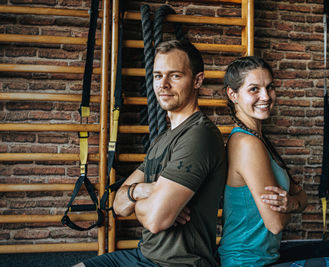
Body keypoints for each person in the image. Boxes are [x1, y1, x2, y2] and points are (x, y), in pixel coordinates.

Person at [76, 39, 227, 266]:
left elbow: (156, 219)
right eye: (158, 76)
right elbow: (117, 205)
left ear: (197, 80)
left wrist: (140, 197)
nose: (163, 84)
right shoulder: (163, 138)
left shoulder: (198, 136)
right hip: (143, 255)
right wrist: (145, 190)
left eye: (174, 76)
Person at [217, 56, 308, 266]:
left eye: (270, 87)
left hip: (265, 259)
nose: (266, 96)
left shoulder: (261, 140)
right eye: (254, 89)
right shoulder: (246, 144)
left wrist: (291, 204)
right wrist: (293, 203)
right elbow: (275, 223)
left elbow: (300, 196)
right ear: (233, 94)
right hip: (246, 262)